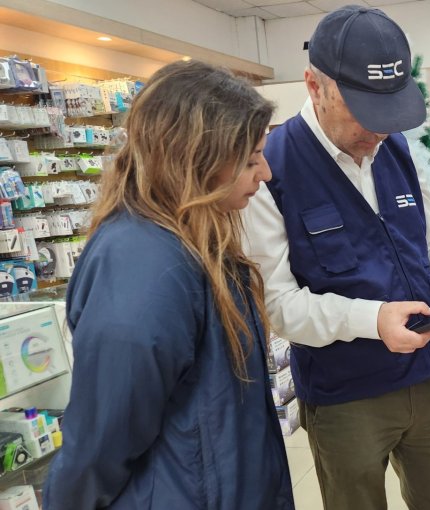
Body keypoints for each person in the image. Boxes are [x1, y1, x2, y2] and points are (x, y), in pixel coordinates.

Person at [242, 5, 430, 510]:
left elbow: (427, 236)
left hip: (425, 377)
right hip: (344, 397)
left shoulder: (395, 147)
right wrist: (372, 319)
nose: (379, 131)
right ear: (315, 86)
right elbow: (278, 305)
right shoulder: (269, 170)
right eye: (363, 112)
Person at [43, 60, 294, 509]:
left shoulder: (195, 239)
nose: (266, 174)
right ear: (194, 159)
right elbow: (101, 442)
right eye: (250, 159)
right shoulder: (143, 265)